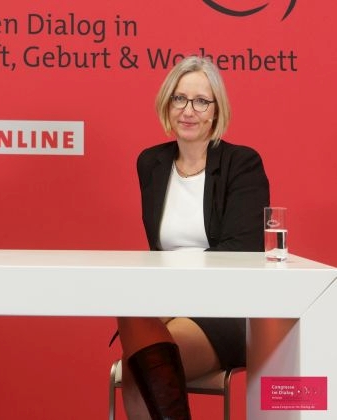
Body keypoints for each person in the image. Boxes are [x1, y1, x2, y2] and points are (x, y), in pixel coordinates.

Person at [116, 55, 270, 419]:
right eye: (180, 98)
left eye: (201, 101)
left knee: (143, 369)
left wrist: (176, 299)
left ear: (216, 110)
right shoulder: (151, 163)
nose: (188, 110)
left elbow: (242, 253)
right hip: (166, 307)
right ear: (167, 104)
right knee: (129, 310)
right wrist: (167, 302)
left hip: (226, 309)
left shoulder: (242, 164)